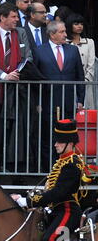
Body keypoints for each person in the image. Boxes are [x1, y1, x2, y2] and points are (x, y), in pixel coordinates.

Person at [12, 119, 90, 241]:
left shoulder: (73, 164)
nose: (55, 144)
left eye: (59, 141)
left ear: (70, 142)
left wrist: (27, 201)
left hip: (68, 211)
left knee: (50, 240)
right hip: (56, 210)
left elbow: (58, 193)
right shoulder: (62, 161)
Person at [0, 2, 33, 172]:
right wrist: (4, 76)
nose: (17, 20)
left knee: (17, 132)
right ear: (2, 18)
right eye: (14, 16)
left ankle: (15, 168)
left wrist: (17, 72)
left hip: (17, 90)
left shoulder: (21, 33)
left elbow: (28, 57)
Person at [33, 20, 85, 172]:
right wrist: (37, 102)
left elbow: (79, 76)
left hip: (68, 102)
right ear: (52, 34)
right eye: (62, 32)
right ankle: (48, 171)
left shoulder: (72, 50)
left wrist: (80, 99)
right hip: (47, 102)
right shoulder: (39, 51)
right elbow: (35, 78)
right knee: (49, 137)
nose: (65, 35)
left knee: (68, 137)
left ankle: (66, 169)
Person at [65, 13, 96, 110]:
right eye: (76, 24)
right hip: (68, 84)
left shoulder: (89, 42)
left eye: (81, 24)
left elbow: (91, 64)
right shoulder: (64, 42)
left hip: (85, 84)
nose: (79, 26)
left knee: (86, 115)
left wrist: (85, 81)